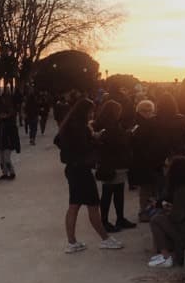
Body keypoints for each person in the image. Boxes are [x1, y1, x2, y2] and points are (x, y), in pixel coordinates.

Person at [54, 97, 124, 253]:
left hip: (72, 168)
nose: (92, 114)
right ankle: (105, 239)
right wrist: (95, 139)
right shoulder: (80, 128)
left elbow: (57, 141)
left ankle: (72, 242)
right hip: (81, 170)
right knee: (92, 205)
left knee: (74, 205)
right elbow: (84, 148)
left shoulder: (67, 125)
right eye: (91, 111)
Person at [93, 99, 136, 233]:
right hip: (113, 163)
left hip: (112, 162)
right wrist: (129, 134)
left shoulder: (103, 124)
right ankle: (106, 221)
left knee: (116, 192)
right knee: (110, 193)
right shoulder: (110, 126)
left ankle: (118, 218)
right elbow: (117, 142)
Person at [0, 101, 21, 180]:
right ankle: (4, 173)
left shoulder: (11, 124)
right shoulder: (0, 124)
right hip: (1, 144)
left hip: (8, 144)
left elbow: (15, 136)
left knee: (7, 159)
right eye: (1, 114)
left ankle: (12, 172)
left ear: (7, 114)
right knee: (2, 160)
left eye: (3, 114)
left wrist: (17, 146)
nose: (2, 115)